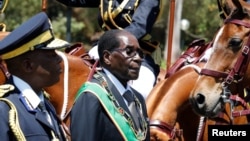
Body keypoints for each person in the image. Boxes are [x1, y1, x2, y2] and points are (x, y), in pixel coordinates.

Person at [55, 0, 161, 99]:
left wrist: (109, 44)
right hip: (105, 50)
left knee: (141, 92)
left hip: (137, 54)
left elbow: (139, 27)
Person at [0, 12, 69, 141]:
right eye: (52, 55)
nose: (59, 59)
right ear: (28, 65)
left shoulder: (45, 105)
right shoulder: (4, 111)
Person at [70, 29, 150, 141]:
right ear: (107, 57)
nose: (138, 58)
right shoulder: (91, 96)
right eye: (129, 51)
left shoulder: (138, 99)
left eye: (140, 53)